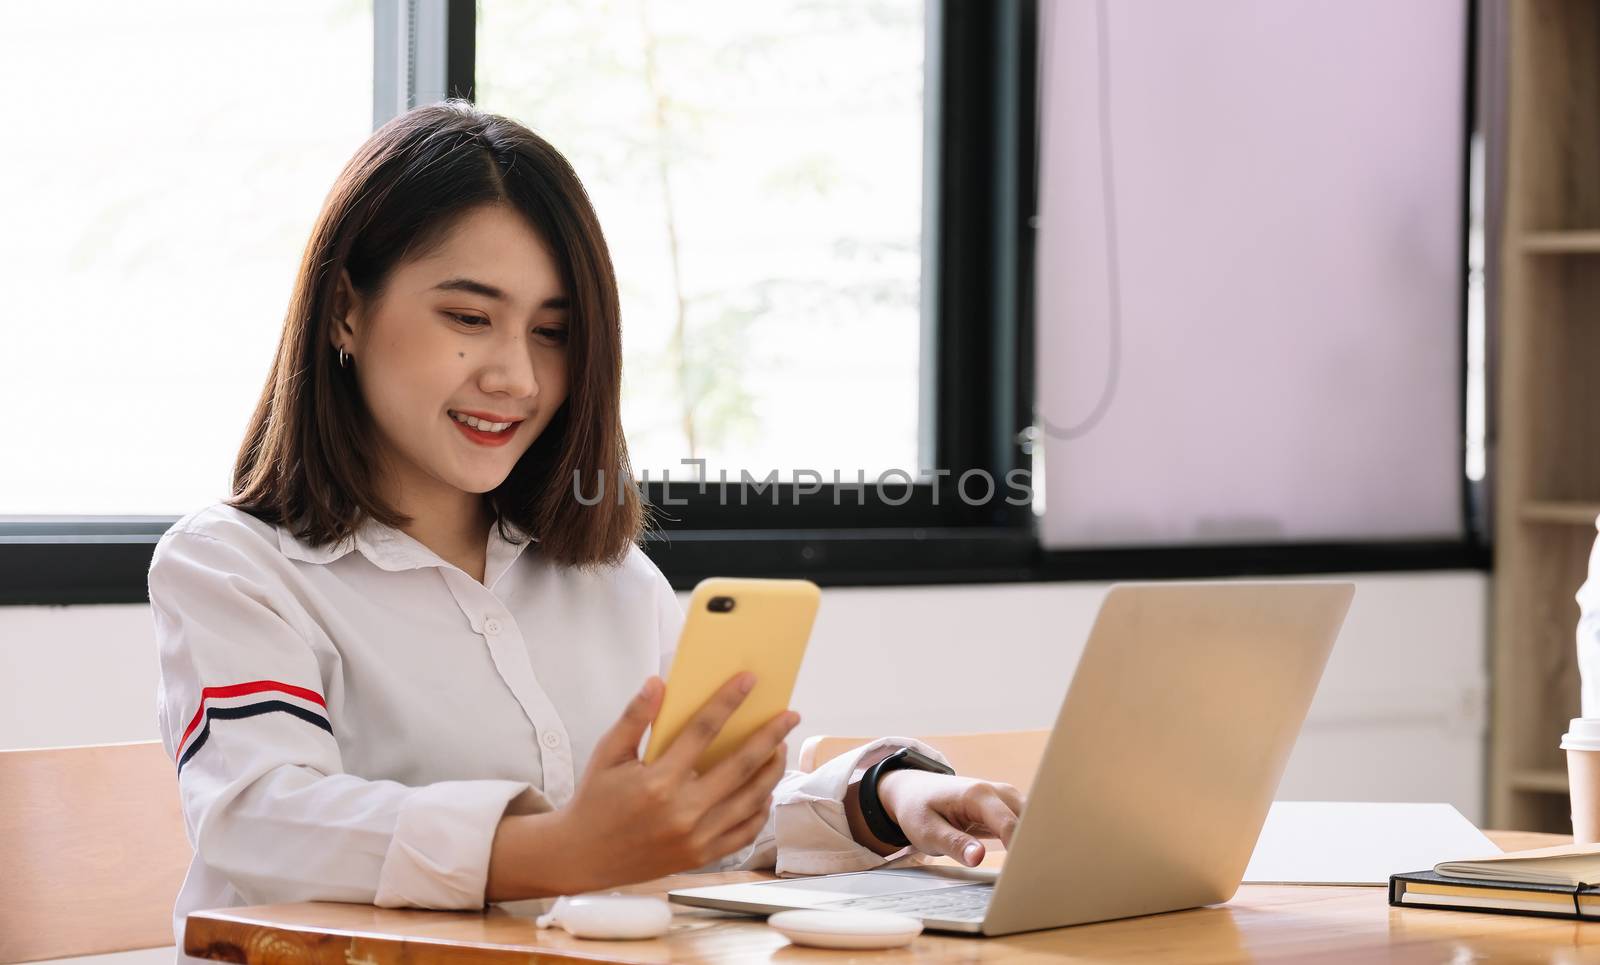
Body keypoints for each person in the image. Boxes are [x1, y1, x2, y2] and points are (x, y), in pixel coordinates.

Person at [149, 101, 1025, 950]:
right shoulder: (233, 568)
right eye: (469, 317)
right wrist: (558, 848)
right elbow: (263, 822)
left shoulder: (609, 578)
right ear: (345, 307)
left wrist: (884, 797)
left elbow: (700, 824)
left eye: (554, 331)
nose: (517, 377)